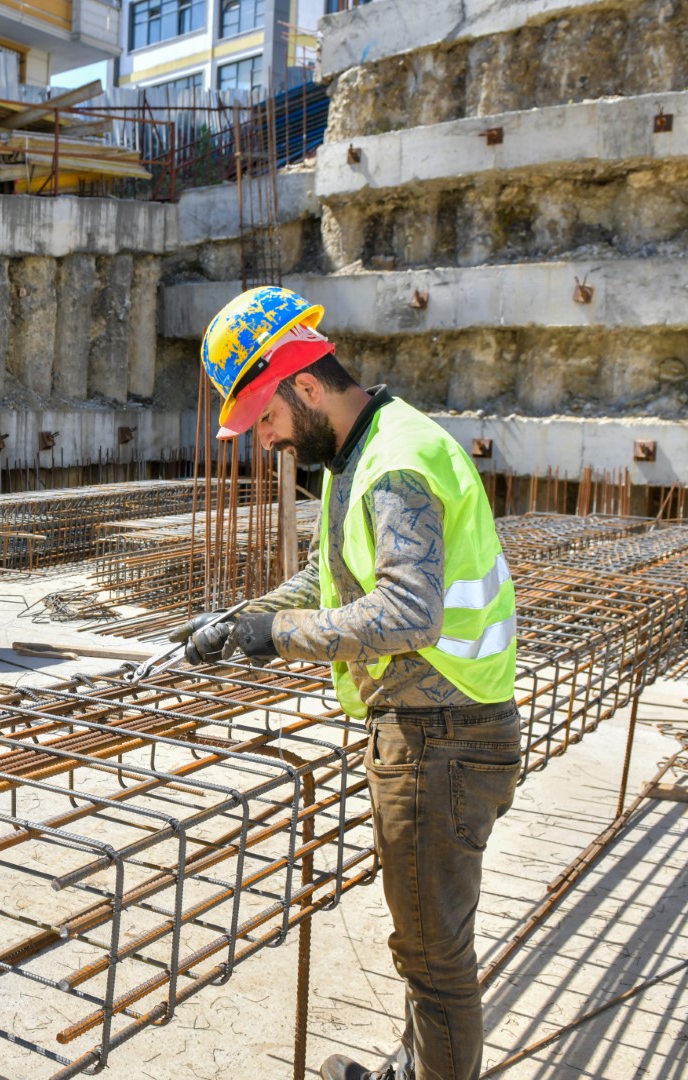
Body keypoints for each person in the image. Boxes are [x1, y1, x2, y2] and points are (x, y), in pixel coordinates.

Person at [169, 286, 520, 1080]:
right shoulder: (358, 452)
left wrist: (274, 638)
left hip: (445, 741)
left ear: (303, 385)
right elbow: (336, 582)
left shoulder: (394, 464)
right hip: (436, 733)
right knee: (424, 941)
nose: (266, 442)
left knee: (433, 959)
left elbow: (407, 611)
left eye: (266, 419)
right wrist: (244, 618)